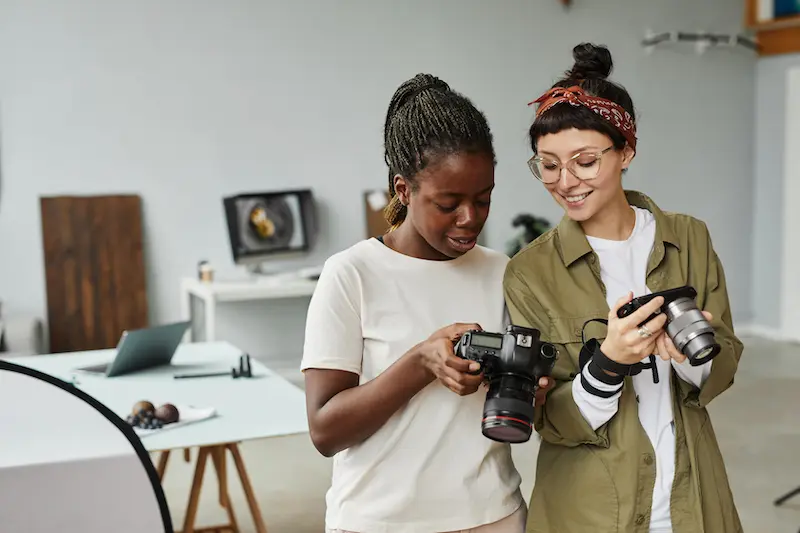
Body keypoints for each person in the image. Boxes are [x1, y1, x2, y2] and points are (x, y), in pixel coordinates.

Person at [503, 43, 744, 533]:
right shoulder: (530, 273)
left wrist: (692, 357)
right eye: (548, 165)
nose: (565, 181)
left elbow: (724, 367)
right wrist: (610, 361)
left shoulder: (689, 237)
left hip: (692, 502)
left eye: (585, 161)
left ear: (627, 150)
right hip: (590, 511)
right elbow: (549, 421)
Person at [301, 73, 551, 533]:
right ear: (403, 190)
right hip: (379, 522)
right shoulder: (352, 274)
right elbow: (325, 431)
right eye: (448, 202)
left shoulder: (502, 273)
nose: (470, 218)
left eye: (483, 198)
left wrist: (534, 391)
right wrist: (420, 363)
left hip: (492, 517)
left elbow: (532, 406)